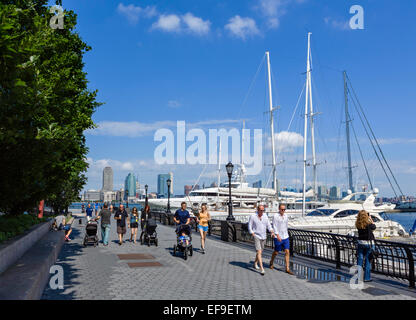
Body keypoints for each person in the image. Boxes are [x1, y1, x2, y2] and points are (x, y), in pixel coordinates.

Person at [248, 205, 275, 275]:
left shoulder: (265, 216)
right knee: (259, 251)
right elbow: (249, 226)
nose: (262, 211)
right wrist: (252, 233)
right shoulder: (253, 216)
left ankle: (255, 263)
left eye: (263, 210)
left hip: (263, 236)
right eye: (261, 210)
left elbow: (268, 225)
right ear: (258, 210)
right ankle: (262, 269)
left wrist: (272, 231)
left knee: (260, 252)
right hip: (256, 235)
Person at [269, 204, 294, 275]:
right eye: (282, 209)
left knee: (287, 251)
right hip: (278, 236)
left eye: (284, 209)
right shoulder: (275, 216)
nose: (283, 211)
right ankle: (271, 262)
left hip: (285, 236)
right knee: (276, 252)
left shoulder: (286, 216)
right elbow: (274, 226)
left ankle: (287, 268)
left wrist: (287, 234)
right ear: (279, 209)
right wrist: (277, 235)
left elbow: (286, 225)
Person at [356, 210, 376, 282]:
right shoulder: (368, 224)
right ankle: (367, 278)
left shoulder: (358, 223)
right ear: (366, 216)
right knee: (368, 260)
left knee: (360, 260)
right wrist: (371, 219)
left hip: (360, 243)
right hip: (369, 244)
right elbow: (374, 227)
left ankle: (359, 277)